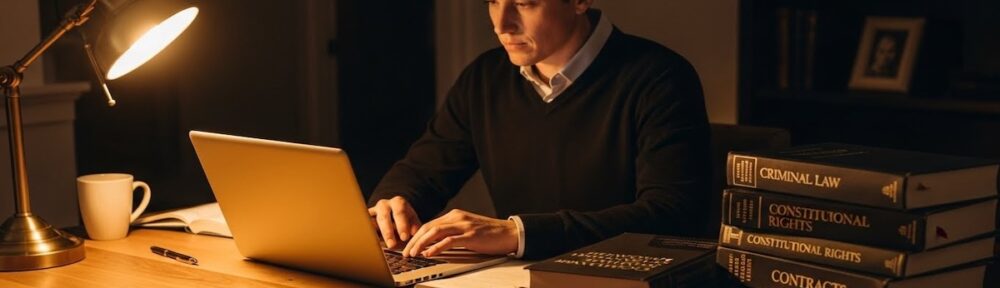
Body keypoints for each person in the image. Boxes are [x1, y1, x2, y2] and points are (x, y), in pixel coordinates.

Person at [367, 0, 710, 260]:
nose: (502, 24)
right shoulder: (485, 77)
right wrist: (395, 204)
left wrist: (518, 233)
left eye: (525, 3)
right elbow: (424, 169)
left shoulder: (661, 78)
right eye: (493, 1)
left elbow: (671, 214)